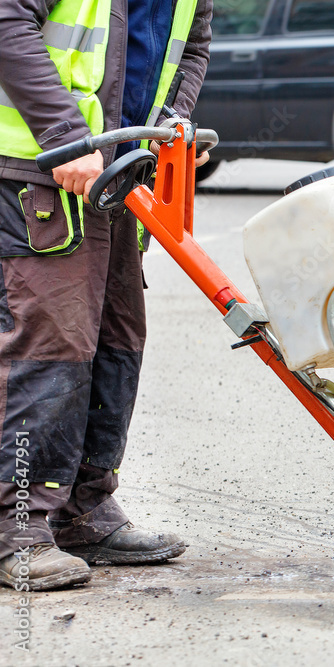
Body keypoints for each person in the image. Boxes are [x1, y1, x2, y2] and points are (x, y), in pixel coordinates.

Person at [0, 0, 213, 591]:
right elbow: (7, 21)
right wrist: (66, 137)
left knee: (116, 342)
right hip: (41, 169)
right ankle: (17, 529)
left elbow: (190, 46)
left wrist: (173, 123)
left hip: (122, 173)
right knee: (49, 346)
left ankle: (84, 511)